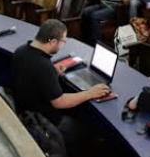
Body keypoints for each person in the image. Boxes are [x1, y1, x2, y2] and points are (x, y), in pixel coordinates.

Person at [12, 20, 110, 154]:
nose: (63, 45)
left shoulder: (21, 51)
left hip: (25, 109)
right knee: (88, 131)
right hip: (43, 120)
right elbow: (60, 102)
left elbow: (33, 77)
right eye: (63, 41)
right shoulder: (43, 65)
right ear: (52, 42)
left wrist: (53, 73)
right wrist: (90, 93)